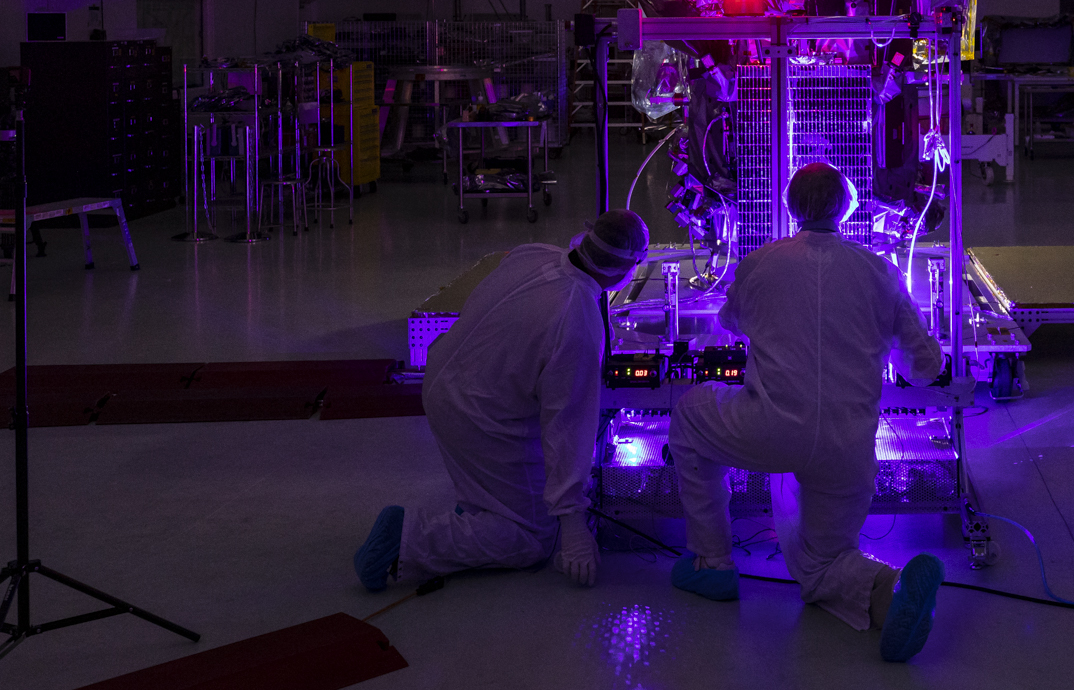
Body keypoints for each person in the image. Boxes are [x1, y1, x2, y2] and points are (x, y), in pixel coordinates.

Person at [667, 162, 949, 662]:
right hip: (849, 443)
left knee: (690, 416)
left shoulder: (760, 262)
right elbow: (925, 368)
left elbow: (728, 322)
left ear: (788, 205)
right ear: (849, 206)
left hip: (768, 427)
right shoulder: (878, 269)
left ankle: (713, 564)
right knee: (821, 560)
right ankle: (890, 587)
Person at [353, 210, 651, 591]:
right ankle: (407, 539)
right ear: (626, 268)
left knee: (517, 487)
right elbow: (567, 426)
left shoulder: (534, 253)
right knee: (532, 538)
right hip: (480, 414)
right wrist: (573, 523)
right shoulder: (576, 318)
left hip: (445, 376)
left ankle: (482, 505)